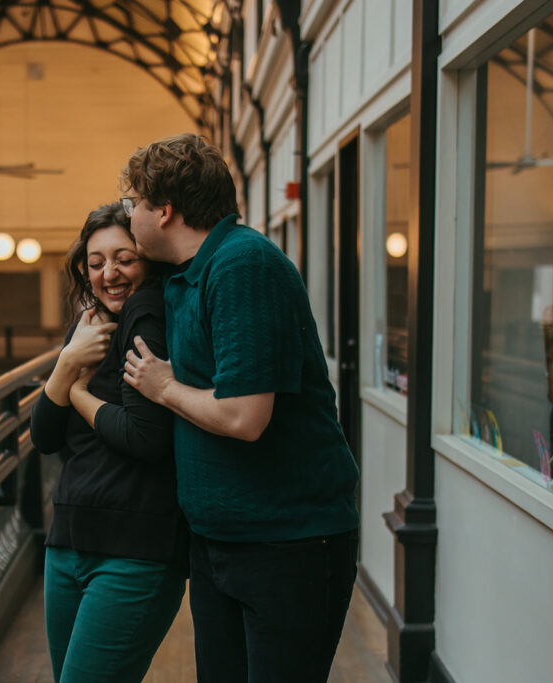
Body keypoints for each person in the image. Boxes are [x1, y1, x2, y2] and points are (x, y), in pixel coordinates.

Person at [120, 133, 360, 683]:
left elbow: (244, 416)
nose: (128, 215)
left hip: (288, 543)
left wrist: (163, 388)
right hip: (220, 541)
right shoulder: (186, 273)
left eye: (134, 203)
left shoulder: (241, 265)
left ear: (165, 211)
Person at [29, 202, 186, 683]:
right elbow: (44, 436)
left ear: (148, 260)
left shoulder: (150, 315)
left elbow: (146, 438)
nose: (109, 274)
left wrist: (75, 390)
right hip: (68, 539)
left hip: (134, 547)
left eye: (124, 259)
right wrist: (66, 363)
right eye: (96, 263)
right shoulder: (90, 326)